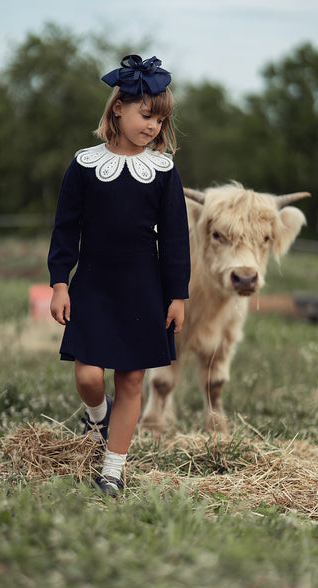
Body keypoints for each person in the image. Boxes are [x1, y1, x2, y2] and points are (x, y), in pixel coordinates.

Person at [48, 54, 191, 496]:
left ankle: (112, 469)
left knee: (131, 379)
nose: (153, 127)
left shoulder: (164, 171)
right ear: (118, 108)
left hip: (144, 288)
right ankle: (97, 419)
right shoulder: (85, 164)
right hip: (92, 284)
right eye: (146, 115)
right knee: (89, 375)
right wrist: (58, 282)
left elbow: (174, 239)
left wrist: (177, 295)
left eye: (160, 120)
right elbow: (66, 227)